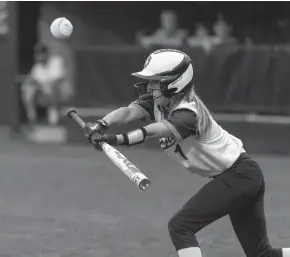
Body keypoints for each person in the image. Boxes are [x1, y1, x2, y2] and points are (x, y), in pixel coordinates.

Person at [83, 49, 290, 257]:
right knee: (263, 255)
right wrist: (102, 124)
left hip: (239, 176)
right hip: (241, 176)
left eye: (155, 82)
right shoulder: (159, 103)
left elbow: (158, 130)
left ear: (174, 84)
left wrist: (119, 139)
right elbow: (128, 112)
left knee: (180, 227)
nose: (150, 87)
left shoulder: (188, 113)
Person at [21, 43, 67, 125]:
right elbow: (33, 81)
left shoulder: (56, 61)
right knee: (27, 88)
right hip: (44, 92)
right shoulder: (36, 67)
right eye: (37, 53)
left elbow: (57, 80)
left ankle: (54, 120)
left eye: (40, 53)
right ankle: (32, 118)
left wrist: (44, 86)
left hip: (59, 92)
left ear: (46, 53)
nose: (38, 56)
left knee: (53, 87)